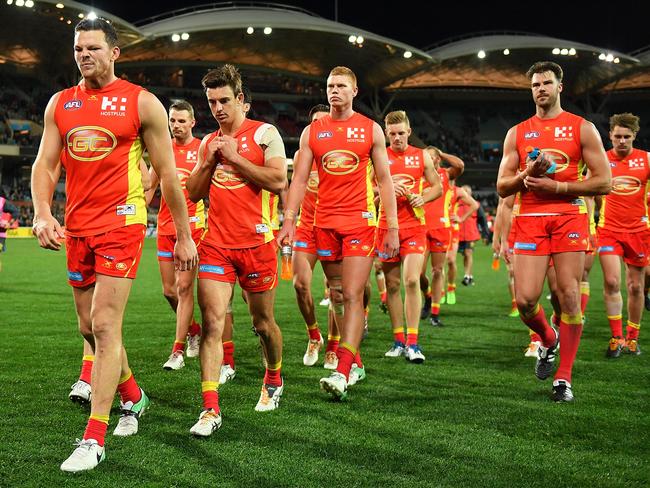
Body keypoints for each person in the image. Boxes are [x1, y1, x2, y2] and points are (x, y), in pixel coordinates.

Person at [31, 18, 198, 472]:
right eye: (78, 49)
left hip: (123, 224)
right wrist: (43, 212)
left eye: (92, 48)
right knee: (88, 327)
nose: (84, 55)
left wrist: (183, 234)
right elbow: (46, 165)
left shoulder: (142, 103)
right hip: (78, 226)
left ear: (115, 52)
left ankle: (94, 437)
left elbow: (167, 174)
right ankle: (134, 395)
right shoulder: (60, 104)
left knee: (105, 326)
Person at [277, 66, 399, 400]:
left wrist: (391, 226)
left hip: (360, 222)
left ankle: (343, 371)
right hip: (322, 224)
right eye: (330, 85)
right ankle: (355, 362)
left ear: (354, 91)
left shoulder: (370, 129)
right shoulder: (312, 132)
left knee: (352, 292)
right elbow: (299, 180)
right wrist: (289, 220)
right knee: (337, 296)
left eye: (341, 85)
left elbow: (385, 180)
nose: (335, 91)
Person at [496, 61, 610, 402]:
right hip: (530, 219)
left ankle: (564, 378)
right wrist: (526, 174)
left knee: (569, 295)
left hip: (568, 216)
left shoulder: (582, 128)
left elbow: (604, 181)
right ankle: (548, 339)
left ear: (560, 87)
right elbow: (502, 187)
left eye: (547, 82)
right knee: (526, 300)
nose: (541, 88)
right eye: (535, 84)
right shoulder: (517, 132)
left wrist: (557, 188)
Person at [186, 64, 287, 435]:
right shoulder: (207, 142)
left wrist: (236, 157)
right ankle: (210, 409)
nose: (217, 108)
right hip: (215, 246)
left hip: (257, 245)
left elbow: (279, 180)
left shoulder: (265, 133)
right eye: (211, 101)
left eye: (224, 100)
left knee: (263, 325)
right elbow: (194, 193)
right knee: (213, 323)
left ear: (240, 99)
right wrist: (212, 158)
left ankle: (273, 378)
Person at [145, 100, 205, 370]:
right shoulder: (162, 148)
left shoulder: (202, 149)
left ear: (192, 122)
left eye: (182, 121)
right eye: (172, 121)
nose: (176, 125)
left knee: (184, 288)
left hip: (193, 229)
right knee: (169, 292)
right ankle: (194, 330)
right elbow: (150, 185)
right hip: (165, 228)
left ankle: (178, 350)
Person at [379, 110, 441, 362]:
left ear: (409, 132)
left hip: (415, 226)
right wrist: (384, 187)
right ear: (386, 134)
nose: (397, 138)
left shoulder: (422, 156)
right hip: (386, 227)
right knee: (392, 285)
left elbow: (437, 185)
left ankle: (413, 343)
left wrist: (422, 197)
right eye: (392, 134)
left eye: (401, 133)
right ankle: (398, 340)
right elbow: (365, 186)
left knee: (412, 280)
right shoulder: (379, 156)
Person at [290, 104, 339, 367]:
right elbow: (295, 186)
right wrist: (288, 219)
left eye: (324, 122)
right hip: (307, 226)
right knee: (300, 284)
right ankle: (314, 335)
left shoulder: (341, 155)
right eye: (315, 123)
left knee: (336, 290)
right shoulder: (301, 156)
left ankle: (333, 346)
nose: (320, 127)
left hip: (333, 225)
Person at [598, 112, 649, 357]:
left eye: (626, 137)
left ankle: (632, 337)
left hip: (639, 231)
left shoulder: (647, 160)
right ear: (610, 135)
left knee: (636, 287)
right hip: (608, 230)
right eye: (617, 136)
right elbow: (587, 190)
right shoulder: (601, 160)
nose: (621, 141)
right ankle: (616, 337)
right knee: (612, 281)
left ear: (634, 136)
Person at [419, 146, 465, 326]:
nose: (430, 160)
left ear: (438, 160)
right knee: (418, 273)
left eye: (433, 157)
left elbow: (460, 165)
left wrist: (440, 152)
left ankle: (435, 313)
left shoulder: (445, 175)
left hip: (441, 228)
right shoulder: (418, 177)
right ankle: (428, 296)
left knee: (438, 270)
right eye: (427, 157)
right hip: (421, 228)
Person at [458, 185, 482, 287]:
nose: (466, 194)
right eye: (464, 192)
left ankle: (467, 276)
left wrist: (485, 234)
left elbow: (482, 219)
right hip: (458, 234)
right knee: (465, 255)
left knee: (468, 253)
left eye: (468, 192)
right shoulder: (456, 204)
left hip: (471, 234)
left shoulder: (475, 205)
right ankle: (469, 275)